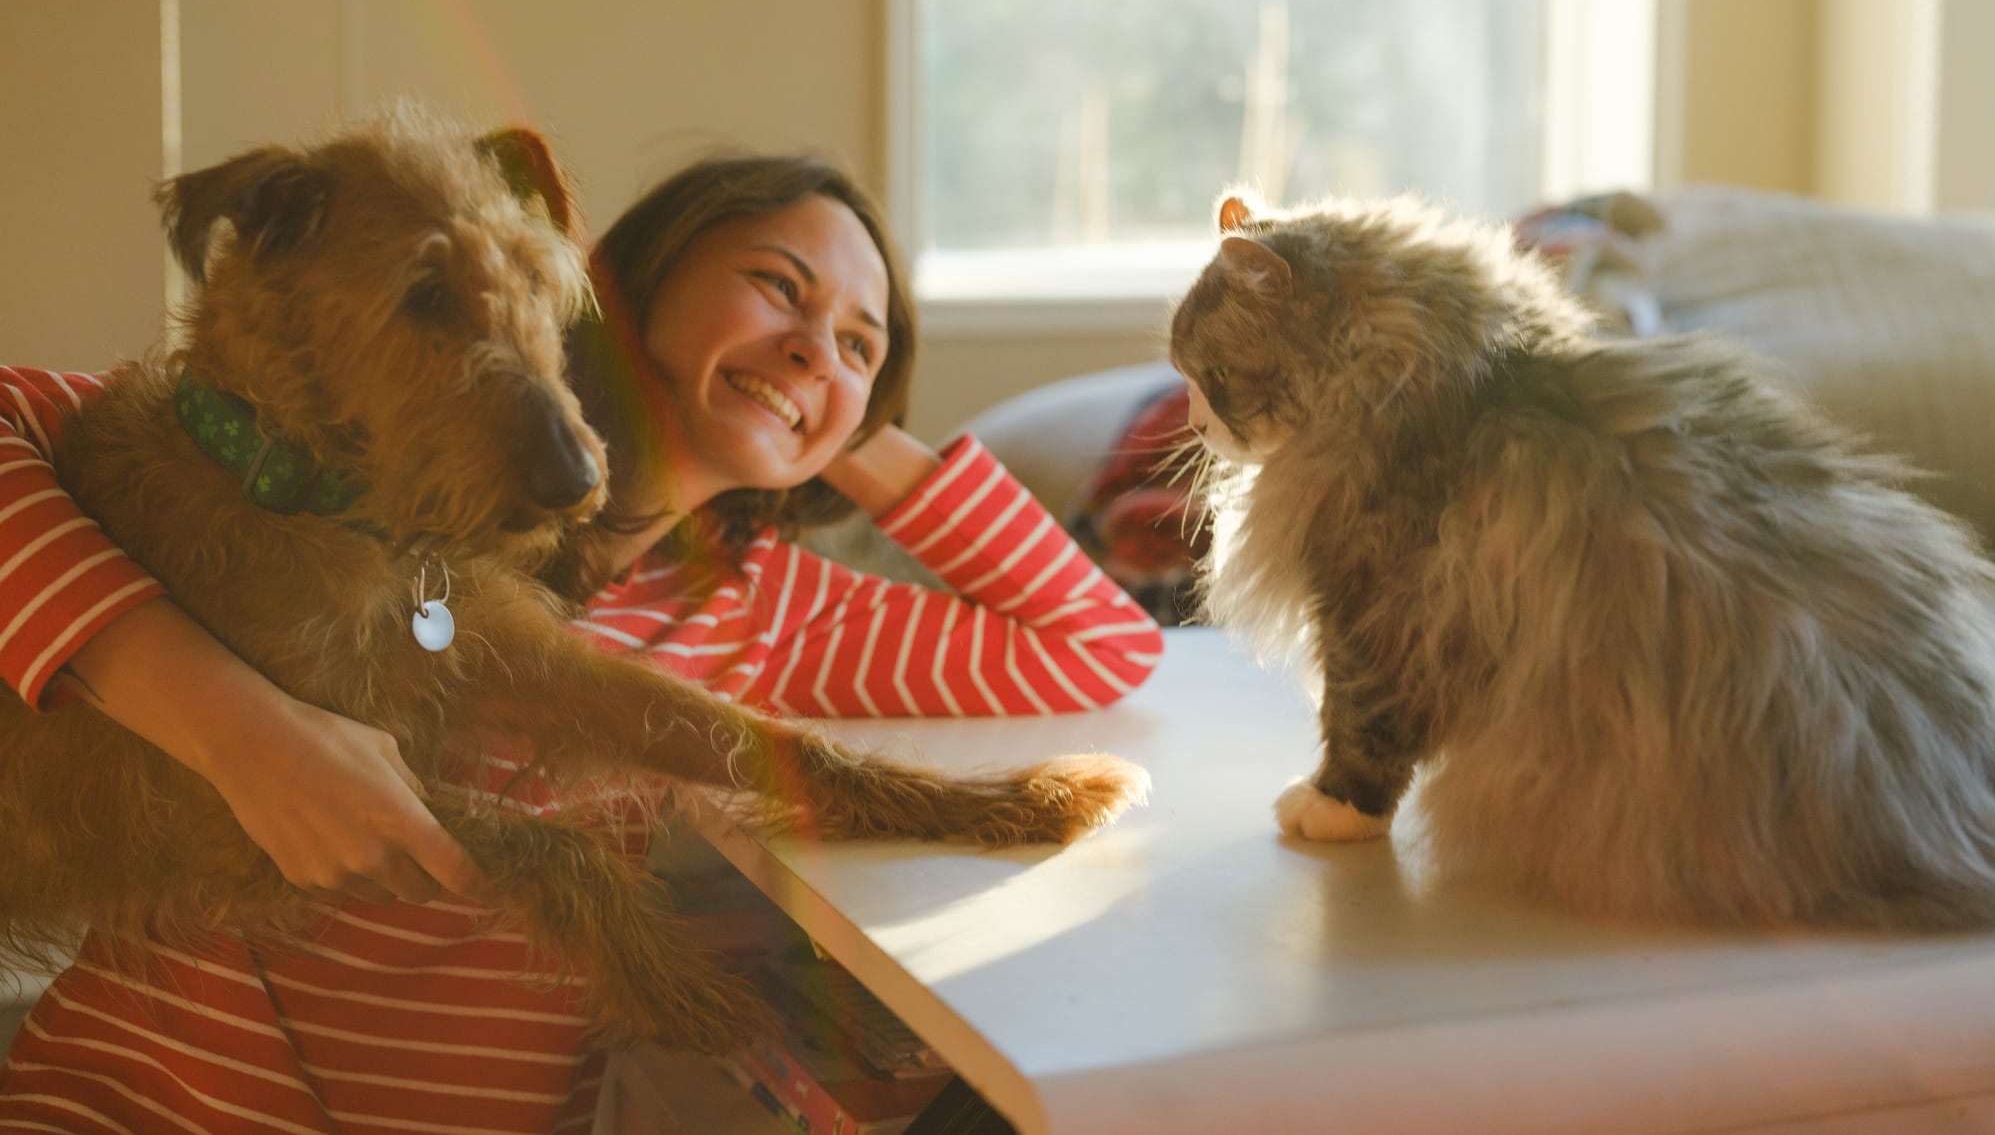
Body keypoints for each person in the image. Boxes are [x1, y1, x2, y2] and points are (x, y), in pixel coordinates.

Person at [0, 150, 1164, 1133]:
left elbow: (1098, 642)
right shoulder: (288, 456)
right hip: (135, 1092)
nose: (821, 342)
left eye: (864, 341)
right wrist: (226, 712)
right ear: (623, 283)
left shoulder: (769, 606)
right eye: (777, 284)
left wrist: (839, 417)